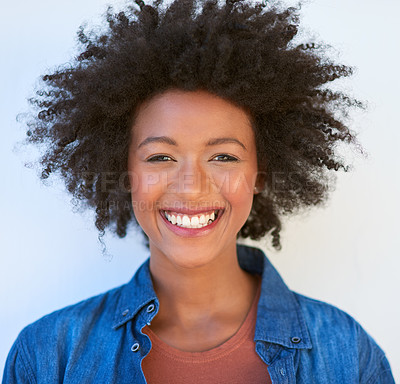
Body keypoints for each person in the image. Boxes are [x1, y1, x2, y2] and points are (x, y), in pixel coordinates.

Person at [2, 0, 395, 382]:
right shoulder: (48, 356)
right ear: (124, 171)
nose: (191, 187)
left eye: (224, 157)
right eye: (160, 157)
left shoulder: (347, 351)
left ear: (261, 172)